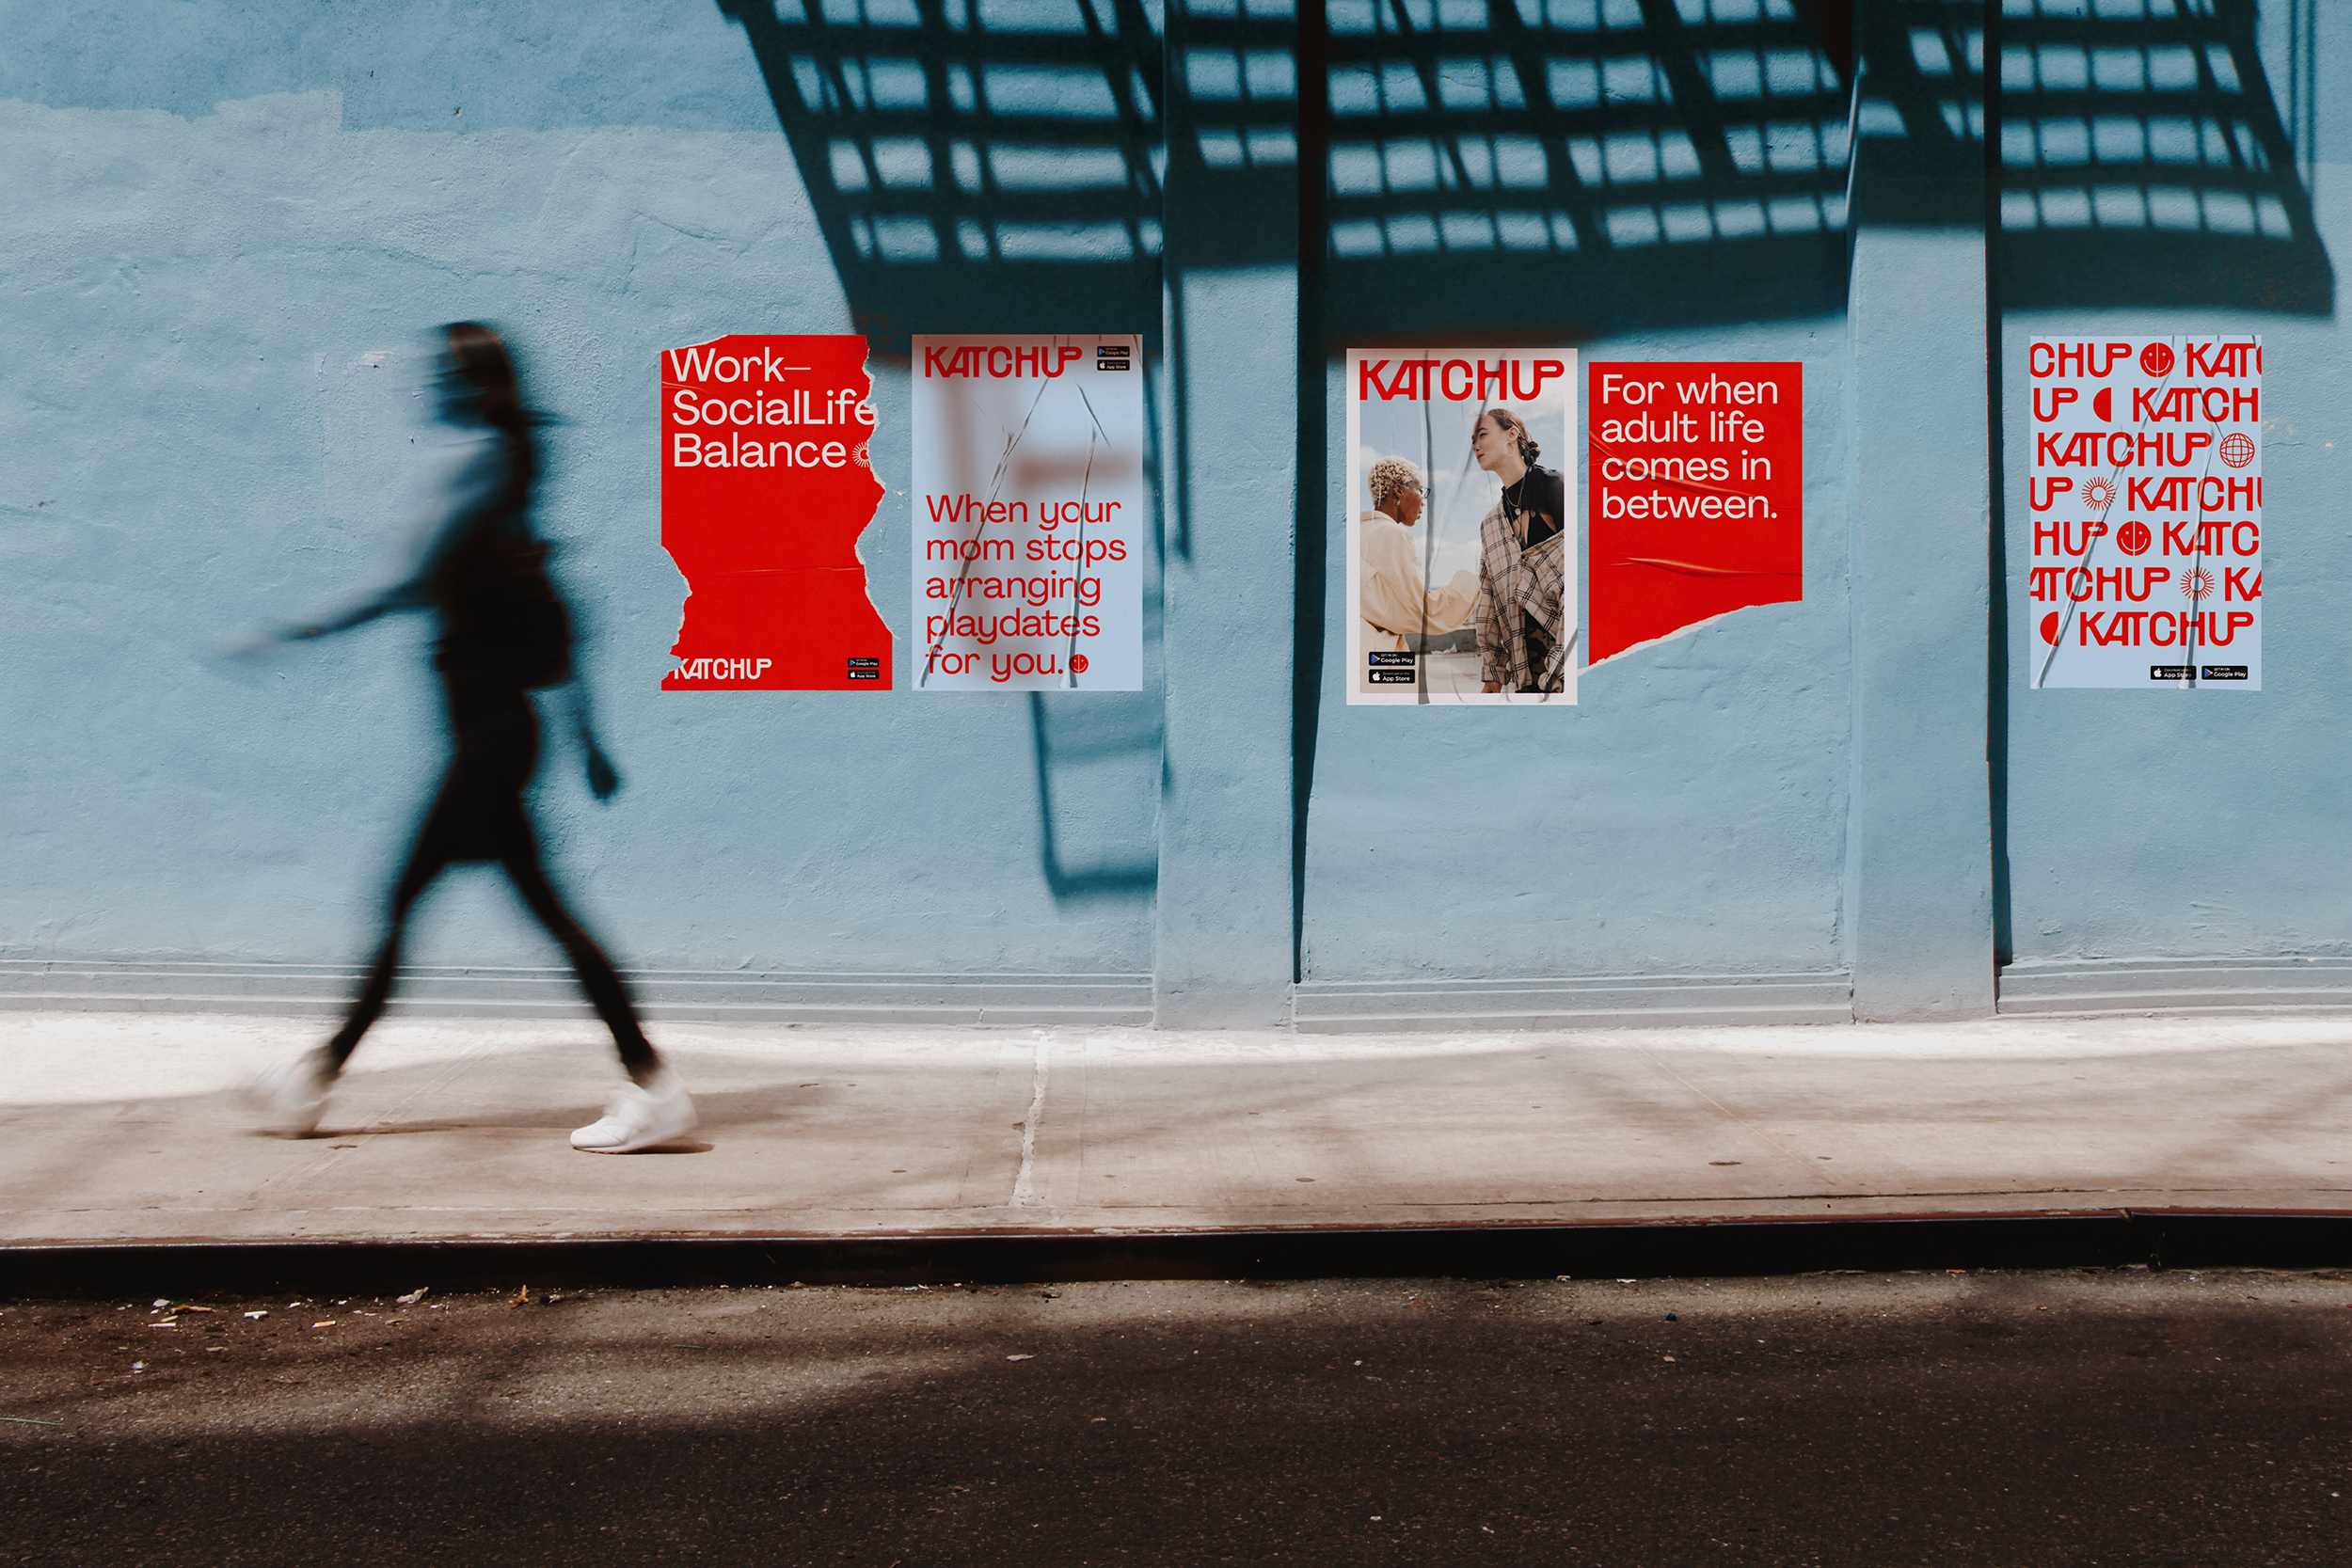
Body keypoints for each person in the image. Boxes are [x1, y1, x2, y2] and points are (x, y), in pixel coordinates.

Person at [242, 323, 696, 1153]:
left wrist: (310, 625)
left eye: (443, 371)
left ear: (471, 383)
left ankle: (651, 1083)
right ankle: (316, 1076)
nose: (429, 383)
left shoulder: (477, 462)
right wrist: (587, 740)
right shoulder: (511, 480)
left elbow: (412, 579)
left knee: (422, 901)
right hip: (496, 735)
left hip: (489, 739)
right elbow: (556, 616)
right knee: (496, 907)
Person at [1470, 407, 1570, 695]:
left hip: (1567, 662)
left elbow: (1581, 582)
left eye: (1482, 434)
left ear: (1512, 434)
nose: (1475, 446)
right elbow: (1488, 598)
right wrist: (1493, 671)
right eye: (1472, 440)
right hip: (1526, 674)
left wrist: (1561, 668)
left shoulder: (1555, 487)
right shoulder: (1490, 523)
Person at [1357, 455, 1478, 678]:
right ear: (1399, 490)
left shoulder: (1356, 533)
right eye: (1421, 490)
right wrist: (1473, 582)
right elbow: (1423, 612)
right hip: (1380, 662)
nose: (1424, 500)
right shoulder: (1393, 534)